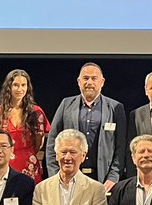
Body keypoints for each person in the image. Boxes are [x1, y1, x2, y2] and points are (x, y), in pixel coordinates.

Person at [45, 63, 127, 192]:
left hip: (103, 180)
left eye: (94, 78)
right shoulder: (66, 105)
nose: (89, 82)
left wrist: (113, 177)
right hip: (69, 177)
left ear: (102, 82)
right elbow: (52, 142)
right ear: (79, 81)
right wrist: (55, 174)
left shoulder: (116, 108)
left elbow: (121, 148)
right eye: (85, 78)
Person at [0, 69, 49, 183]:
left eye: (23, 85)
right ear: (9, 87)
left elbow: (39, 143)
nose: (20, 89)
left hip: (29, 165)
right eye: (16, 85)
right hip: (4, 164)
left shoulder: (36, 112)